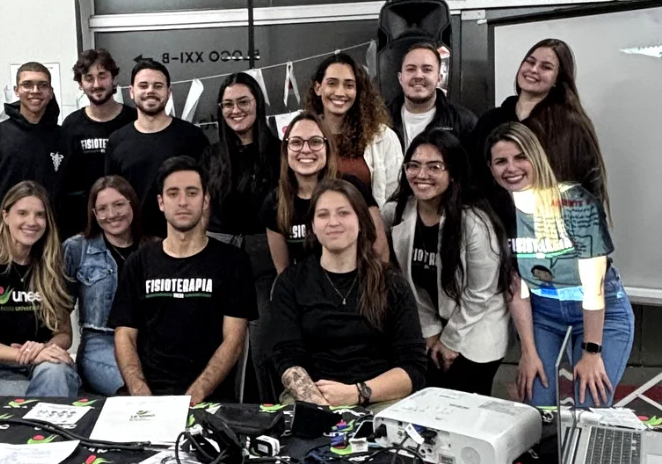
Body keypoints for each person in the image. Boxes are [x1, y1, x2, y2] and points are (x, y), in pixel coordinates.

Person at [487, 122, 633, 407]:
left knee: (589, 406)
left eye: (520, 157)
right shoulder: (497, 212)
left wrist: (591, 354)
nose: (511, 168)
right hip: (544, 312)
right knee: (536, 404)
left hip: (600, 311)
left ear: (536, 157)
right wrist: (528, 352)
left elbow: (594, 285)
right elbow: (515, 287)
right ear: (491, 169)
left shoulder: (574, 201)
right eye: (500, 161)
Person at [108, 157, 257, 404]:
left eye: (192, 192)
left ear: (205, 200)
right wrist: (139, 391)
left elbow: (234, 342)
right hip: (146, 400)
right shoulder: (138, 263)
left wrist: (194, 395)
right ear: (161, 202)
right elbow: (124, 334)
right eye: (173, 193)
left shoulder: (233, 262)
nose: (183, 202)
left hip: (208, 400)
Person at [270, 178, 426, 409]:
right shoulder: (291, 283)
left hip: (379, 398)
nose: (333, 222)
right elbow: (287, 358)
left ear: (361, 221)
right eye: (323, 215)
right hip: (311, 400)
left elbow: (413, 368)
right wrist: (321, 406)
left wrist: (357, 393)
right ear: (312, 225)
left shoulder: (391, 282)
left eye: (344, 213)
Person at [382, 129, 513, 396]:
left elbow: (480, 292)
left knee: (463, 400)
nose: (422, 174)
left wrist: (450, 342)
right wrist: (430, 333)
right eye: (414, 165)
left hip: (478, 324)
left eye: (435, 167)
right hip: (434, 322)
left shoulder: (475, 221)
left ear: (452, 173)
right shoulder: (397, 212)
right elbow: (408, 283)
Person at [468, 39, 611, 230]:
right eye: (530, 61)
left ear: (557, 80)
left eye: (546, 67)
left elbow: (590, 189)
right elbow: (472, 178)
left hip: (550, 240)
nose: (533, 70)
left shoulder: (572, 126)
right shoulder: (490, 120)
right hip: (494, 237)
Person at [200, 72, 281, 402]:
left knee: (263, 344)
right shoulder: (212, 155)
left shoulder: (280, 152)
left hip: (266, 257)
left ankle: (269, 412)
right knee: (217, 341)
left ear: (258, 105)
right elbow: (203, 209)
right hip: (220, 254)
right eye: (228, 104)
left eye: (243, 102)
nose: (235, 110)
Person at [0, 181, 80, 397]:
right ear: (5, 216)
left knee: (55, 376)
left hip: (45, 362)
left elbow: (63, 334)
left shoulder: (53, 267)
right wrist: (25, 354)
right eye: (22, 213)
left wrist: (43, 349)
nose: (31, 222)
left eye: (39, 215)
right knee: (35, 395)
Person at [261, 111, 389, 274]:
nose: (305, 150)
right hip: (306, 295)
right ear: (286, 150)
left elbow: (380, 249)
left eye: (315, 142)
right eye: (296, 142)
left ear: (328, 148)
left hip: (358, 288)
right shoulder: (275, 202)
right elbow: (283, 271)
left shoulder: (353, 187)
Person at [105, 59, 210, 237]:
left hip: (185, 239)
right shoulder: (116, 141)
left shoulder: (193, 137)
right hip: (134, 242)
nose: (150, 91)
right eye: (143, 85)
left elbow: (207, 192)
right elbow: (112, 196)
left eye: (158, 86)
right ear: (131, 91)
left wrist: (200, 232)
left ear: (168, 92)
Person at [0, 62, 67, 249]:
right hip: (5, 243)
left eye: (42, 85)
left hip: (53, 244)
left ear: (51, 92)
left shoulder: (64, 138)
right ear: (16, 90)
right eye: (27, 84)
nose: (35, 90)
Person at [62, 176, 142, 396]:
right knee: (132, 387)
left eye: (119, 205)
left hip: (147, 340)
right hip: (100, 341)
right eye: (103, 209)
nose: (112, 214)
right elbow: (60, 305)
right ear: (94, 214)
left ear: (132, 204)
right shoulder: (76, 248)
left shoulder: (153, 248)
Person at [305, 53, 403, 205]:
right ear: (318, 88)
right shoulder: (302, 135)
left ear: (358, 92)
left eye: (349, 85)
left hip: (368, 227)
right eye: (332, 83)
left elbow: (395, 198)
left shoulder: (382, 137)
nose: (340, 92)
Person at [60, 49, 137, 239]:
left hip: (129, 224)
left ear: (113, 79)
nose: (96, 84)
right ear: (80, 84)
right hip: (84, 226)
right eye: (88, 78)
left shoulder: (133, 120)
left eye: (102, 76)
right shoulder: (71, 125)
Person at [388, 42, 477, 151]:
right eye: (411, 69)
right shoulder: (379, 120)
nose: (418, 76)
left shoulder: (464, 122)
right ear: (400, 78)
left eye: (427, 69)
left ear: (439, 78)